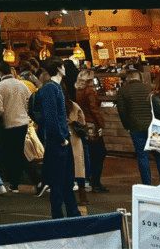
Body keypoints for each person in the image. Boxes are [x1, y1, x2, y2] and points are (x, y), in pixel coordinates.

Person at [38, 59, 80, 219]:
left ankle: (72, 213)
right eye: (63, 66)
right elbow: (51, 118)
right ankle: (59, 216)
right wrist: (62, 138)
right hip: (58, 142)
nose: (65, 68)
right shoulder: (50, 89)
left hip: (61, 139)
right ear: (58, 68)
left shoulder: (54, 87)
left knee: (67, 181)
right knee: (59, 182)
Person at [0, 62, 37, 193]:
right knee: (17, 152)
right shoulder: (21, 84)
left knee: (15, 154)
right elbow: (31, 99)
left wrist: (2, 114)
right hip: (23, 122)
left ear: (0, 73)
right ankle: (15, 184)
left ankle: (39, 180)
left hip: (9, 124)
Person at [116, 70, 160, 184]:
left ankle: (147, 184)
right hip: (153, 126)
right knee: (159, 154)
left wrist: (127, 126)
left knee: (142, 156)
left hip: (136, 127)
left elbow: (122, 111)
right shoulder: (149, 88)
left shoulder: (123, 91)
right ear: (139, 77)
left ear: (127, 79)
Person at [75, 69, 108, 192]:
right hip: (92, 124)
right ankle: (96, 183)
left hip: (84, 123)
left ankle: (91, 180)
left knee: (90, 153)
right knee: (99, 153)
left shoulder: (78, 91)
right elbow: (94, 109)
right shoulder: (89, 92)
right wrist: (101, 124)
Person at [63, 86, 88, 206]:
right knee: (79, 165)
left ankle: (65, 194)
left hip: (60, 137)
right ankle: (82, 195)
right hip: (74, 137)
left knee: (63, 166)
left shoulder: (54, 106)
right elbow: (82, 121)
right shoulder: (73, 105)